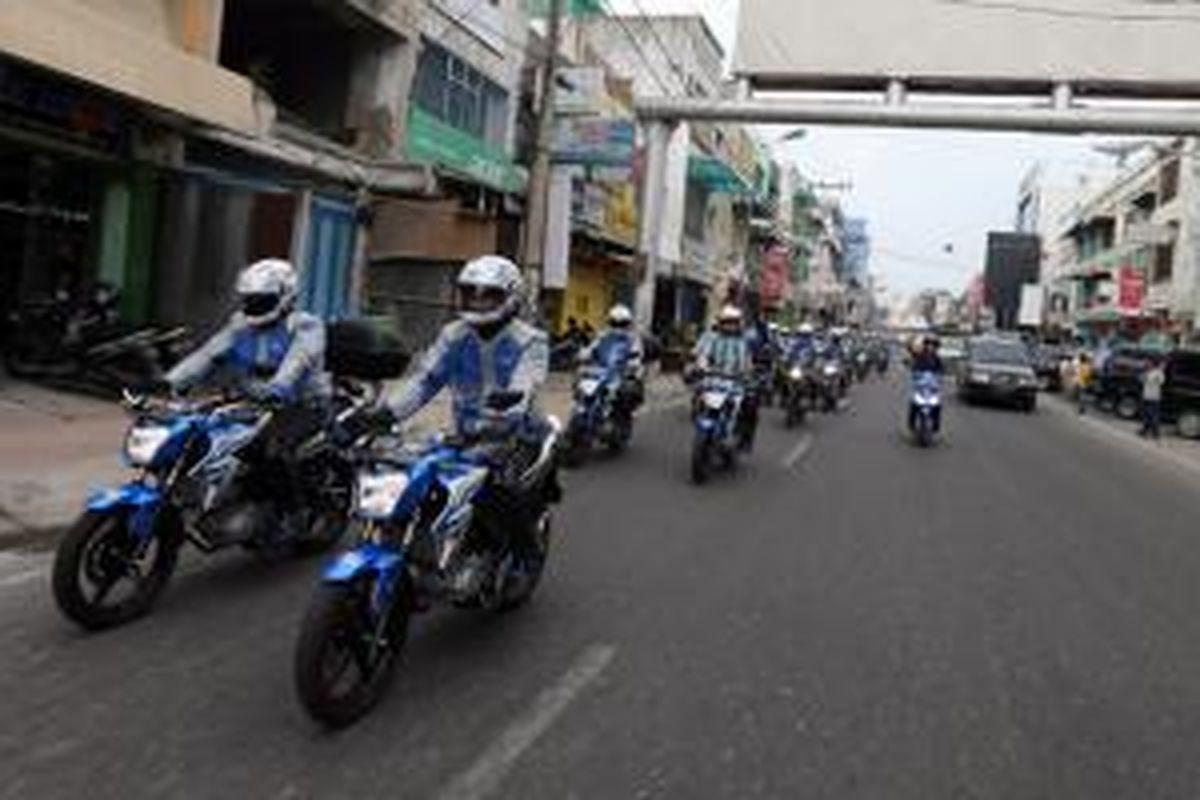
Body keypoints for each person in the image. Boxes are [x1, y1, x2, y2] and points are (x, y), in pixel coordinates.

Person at [381, 255, 552, 556]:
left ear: (511, 298)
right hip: (464, 435)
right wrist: (384, 414)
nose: (477, 301)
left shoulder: (530, 341)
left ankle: (525, 550)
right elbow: (425, 381)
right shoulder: (454, 334)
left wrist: (506, 410)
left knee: (501, 495)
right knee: (418, 479)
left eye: (489, 295)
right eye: (470, 293)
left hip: (517, 436)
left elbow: (525, 385)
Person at [165, 258, 330, 538]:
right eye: (249, 300)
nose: (253, 306)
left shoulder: (305, 326)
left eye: (261, 300)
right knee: (200, 434)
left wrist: (278, 387)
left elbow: (299, 361)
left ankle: (295, 512)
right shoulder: (240, 324)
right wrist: (174, 379)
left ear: (285, 296)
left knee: (271, 449)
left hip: (302, 404)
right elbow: (210, 353)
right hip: (252, 401)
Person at [694, 305, 757, 450]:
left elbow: (747, 363)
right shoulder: (713, 339)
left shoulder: (743, 343)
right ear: (721, 323)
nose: (730, 326)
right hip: (714, 381)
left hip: (735, 383)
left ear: (738, 324)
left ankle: (743, 438)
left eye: (733, 323)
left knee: (750, 406)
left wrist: (749, 375)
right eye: (727, 322)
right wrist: (700, 367)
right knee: (700, 398)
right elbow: (704, 356)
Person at [580, 304, 645, 411]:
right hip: (600, 373)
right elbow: (590, 349)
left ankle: (622, 418)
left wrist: (632, 366)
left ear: (628, 324)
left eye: (622, 324)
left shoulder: (633, 340)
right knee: (581, 392)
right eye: (615, 323)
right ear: (609, 322)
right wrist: (583, 355)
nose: (618, 327)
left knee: (627, 393)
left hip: (620, 376)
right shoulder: (602, 337)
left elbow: (636, 357)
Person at [909, 336, 945, 433]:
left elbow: (941, 370)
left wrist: (940, 377)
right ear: (925, 346)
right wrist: (915, 374)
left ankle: (936, 425)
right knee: (913, 403)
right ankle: (911, 423)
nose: (930, 347)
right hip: (921, 385)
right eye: (929, 345)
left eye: (933, 345)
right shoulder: (920, 357)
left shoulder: (937, 359)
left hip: (932, 387)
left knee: (937, 405)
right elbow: (914, 367)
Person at [1141, 356, 1166, 439]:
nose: (1147, 363)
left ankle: (1155, 433)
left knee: (1152, 415)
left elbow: (1161, 382)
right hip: (1147, 396)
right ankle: (1145, 431)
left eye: (1149, 362)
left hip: (1153, 397)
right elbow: (1142, 380)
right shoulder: (1149, 372)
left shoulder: (1158, 373)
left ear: (1153, 364)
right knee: (1147, 415)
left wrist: (1161, 369)